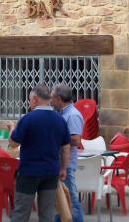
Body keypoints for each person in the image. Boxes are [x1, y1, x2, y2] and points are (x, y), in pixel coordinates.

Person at [6, 84, 70, 222]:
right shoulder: (60, 120)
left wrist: (11, 129)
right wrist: (64, 168)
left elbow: (13, 143)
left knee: (21, 213)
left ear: (35, 99)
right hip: (51, 172)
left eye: (30, 100)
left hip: (29, 172)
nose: (29, 103)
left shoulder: (27, 119)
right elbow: (65, 147)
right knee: (47, 214)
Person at [51, 83, 84, 222]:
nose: (50, 100)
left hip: (67, 164)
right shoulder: (61, 114)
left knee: (71, 201)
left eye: (52, 97)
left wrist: (56, 136)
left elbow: (76, 140)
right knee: (61, 200)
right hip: (59, 162)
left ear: (58, 99)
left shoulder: (72, 115)